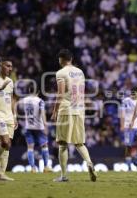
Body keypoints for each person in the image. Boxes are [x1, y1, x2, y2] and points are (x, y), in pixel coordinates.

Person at [51, 49, 97, 182]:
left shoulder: (61, 73)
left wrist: (55, 110)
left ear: (61, 59)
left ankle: (64, 176)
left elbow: (60, 94)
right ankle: (89, 163)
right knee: (79, 143)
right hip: (79, 109)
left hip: (66, 109)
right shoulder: (80, 72)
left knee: (62, 143)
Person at [20, 86, 52, 173]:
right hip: (39, 127)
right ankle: (46, 167)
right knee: (44, 146)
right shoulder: (40, 101)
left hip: (28, 127)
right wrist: (45, 125)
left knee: (30, 147)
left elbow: (18, 108)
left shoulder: (24, 100)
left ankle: (33, 168)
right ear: (38, 92)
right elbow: (42, 113)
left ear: (29, 90)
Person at [120, 88, 137, 171]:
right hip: (128, 126)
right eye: (132, 93)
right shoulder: (125, 101)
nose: (133, 94)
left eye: (135, 93)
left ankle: (135, 160)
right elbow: (122, 113)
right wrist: (122, 125)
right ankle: (129, 166)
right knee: (128, 146)